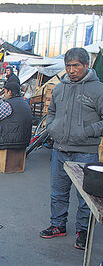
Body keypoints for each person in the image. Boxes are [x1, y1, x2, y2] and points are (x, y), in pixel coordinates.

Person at [39, 47, 103, 250]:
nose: (71, 70)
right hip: (59, 149)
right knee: (58, 192)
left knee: (85, 196)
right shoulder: (59, 88)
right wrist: (51, 128)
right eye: (68, 65)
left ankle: (82, 231)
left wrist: (87, 131)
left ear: (86, 65)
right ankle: (58, 225)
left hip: (85, 150)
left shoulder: (98, 90)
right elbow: (51, 112)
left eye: (76, 65)